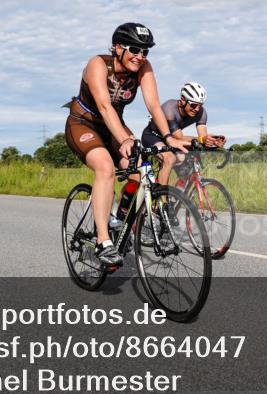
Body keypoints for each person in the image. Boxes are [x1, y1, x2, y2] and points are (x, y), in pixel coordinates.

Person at [63, 23, 188, 267]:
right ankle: (103, 241)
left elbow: (153, 105)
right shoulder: (98, 64)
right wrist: (125, 139)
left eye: (145, 52)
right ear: (118, 47)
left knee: (140, 169)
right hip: (84, 124)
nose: (140, 57)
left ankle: (118, 219)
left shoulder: (143, 68)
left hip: (114, 125)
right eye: (134, 50)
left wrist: (169, 138)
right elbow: (104, 107)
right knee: (105, 168)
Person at [141, 81, 227, 186]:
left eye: (200, 105)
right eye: (194, 104)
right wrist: (202, 140)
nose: (197, 109)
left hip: (172, 140)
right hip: (153, 136)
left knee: (187, 163)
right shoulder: (169, 108)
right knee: (169, 159)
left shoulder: (201, 112)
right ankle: (162, 199)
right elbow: (178, 137)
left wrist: (213, 141)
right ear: (182, 100)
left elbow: (203, 137)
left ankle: (177, 197)